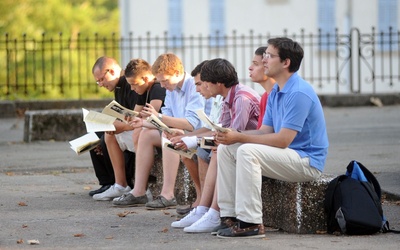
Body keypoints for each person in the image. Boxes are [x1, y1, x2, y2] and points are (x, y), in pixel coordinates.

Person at [215, 37, 329, 239]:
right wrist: (231, 136)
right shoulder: (276, 90)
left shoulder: (299, 92)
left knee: (247, 151)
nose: (264, 59)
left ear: (286, 63)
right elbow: (265, 131)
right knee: (227, 148)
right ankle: (229, 216)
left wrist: (240, 137)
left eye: (269, 55)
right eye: (264, 55)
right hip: (287, 155)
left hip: (306, 161)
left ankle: (250, 223)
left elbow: (283, 140)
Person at [171, 58, 261, 233]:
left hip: (250, 146)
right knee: (217, 149)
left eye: (205, 83)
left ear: (218, 83)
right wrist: (192, 140)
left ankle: (213, 212)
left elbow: (233, 135)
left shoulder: (241, 98)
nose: (202, 87)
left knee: (220, 149)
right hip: (242, 145)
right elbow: (221, 131)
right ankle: (204, 210)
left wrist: (194, 140)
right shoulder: (228, 97)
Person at [112, 53, 207, 208]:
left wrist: (159, 119)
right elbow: (165, 118)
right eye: (160, 81)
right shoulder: (171, 87)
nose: (162, 86)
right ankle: (139, 191)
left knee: (168, 134)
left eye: (165, 81)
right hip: (179, 130)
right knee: (146, 133)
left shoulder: (193, 86)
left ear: (177, 73)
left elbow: (190, 123)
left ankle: (168, 194)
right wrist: (143, 122)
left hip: (196, 132)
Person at [93, 58, 166, 201]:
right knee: (108, 135)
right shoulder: (141, 90)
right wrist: (117, 123)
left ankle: (142, 189)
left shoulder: (157, 88)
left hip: (157, 131)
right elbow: (135, 116)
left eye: (133, 84)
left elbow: (151, 119)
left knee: (140, 132)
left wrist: (124, 125)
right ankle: (120, 185)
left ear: (144, 78)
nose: (132, 88)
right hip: (146, 129)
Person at [89, 56, 139, 197]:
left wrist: (117, 125)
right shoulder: (118, 86)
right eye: (97, 81)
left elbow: (136, 119)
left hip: (137, 129)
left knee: (106, 136)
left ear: (110, 71)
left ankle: (116, 183)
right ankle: (107, 182)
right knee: (94, 139)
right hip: (129, 127)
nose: (100, 84)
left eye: (101, 79)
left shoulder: (129, 84)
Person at [249, 46, 276, 129]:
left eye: (256, 64)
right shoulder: (264, 97)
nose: (250, 67)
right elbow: (261, 132)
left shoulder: (278, 95)